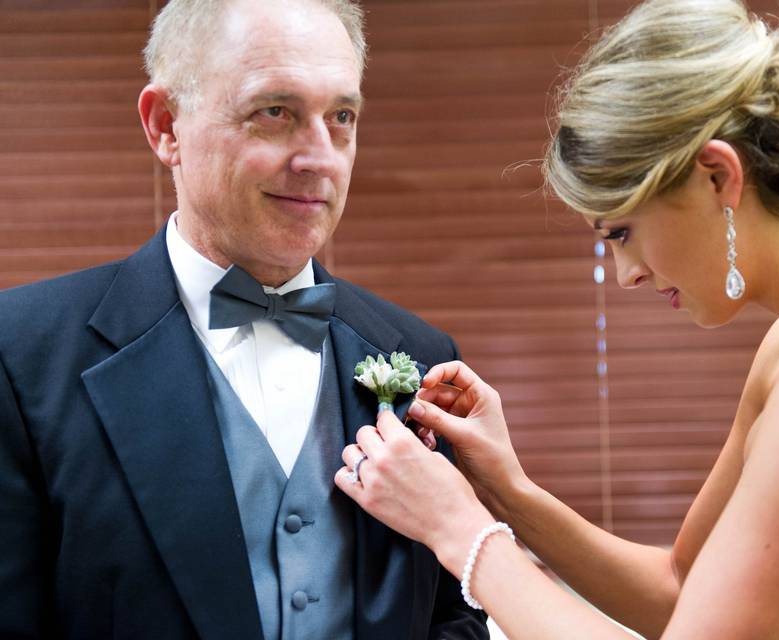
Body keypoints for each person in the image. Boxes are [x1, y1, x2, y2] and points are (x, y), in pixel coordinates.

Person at [333, 0, 779, 638]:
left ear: (718, 176)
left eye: (624, 231)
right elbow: (681, 591)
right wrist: (506, 493)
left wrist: (458, 530)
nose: (627, 272)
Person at [0, 0, 488, 638]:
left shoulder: (421, 354)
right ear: (167, 126)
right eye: (275, 112)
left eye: (341, 117)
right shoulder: (22, 354)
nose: (321, 159)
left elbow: (451, 619)